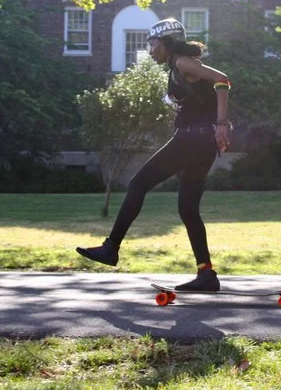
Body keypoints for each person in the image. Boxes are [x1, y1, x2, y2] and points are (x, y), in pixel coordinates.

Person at [76, 17, 231, 291]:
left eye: (152, 44)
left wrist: (221, 123)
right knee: (188, 209)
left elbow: (222, 80)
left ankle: (111, 248)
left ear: (167, 43)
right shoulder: (178, 66)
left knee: (138, 184)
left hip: (191, 140)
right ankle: (206, 274)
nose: (149, 51)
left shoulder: (182, 62)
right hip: (202, 143)